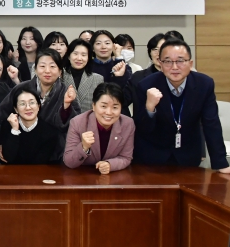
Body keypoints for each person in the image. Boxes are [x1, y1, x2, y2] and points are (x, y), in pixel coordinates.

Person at [133, 39, 230, 172]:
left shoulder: (204, 84)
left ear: (190, 63)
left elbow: (211, 124)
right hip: (152, 158)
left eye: (180, 61)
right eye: (168, 61)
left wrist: (221, 163)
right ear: (160, 64)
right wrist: (150, 108)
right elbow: (141, 129)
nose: (174, 67)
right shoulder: (146, 85)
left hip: (188, 156)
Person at [0, 49, 80, 161]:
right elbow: (2, 114)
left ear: (60, 71)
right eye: (42, 66)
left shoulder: (67, 93)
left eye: (52, 66)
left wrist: (66, 107)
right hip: (20, 149)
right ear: (35, 69)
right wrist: (2, 142)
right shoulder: (21, 88)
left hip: (55, 153)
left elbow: (75, 125)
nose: (47, 71)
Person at [64, 83, 134, 174]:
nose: (109, 112)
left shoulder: (127, 124)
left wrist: (110, 165)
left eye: (115, 107)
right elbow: (69, 162)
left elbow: (126, 157)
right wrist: (84, 147)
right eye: (103, 106)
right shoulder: (77, 122)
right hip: (82, 175)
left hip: (111, 177)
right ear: (93, 106)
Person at [0, 82, 59, 165]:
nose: (28, 107)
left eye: (32, 103)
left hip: (37, 172)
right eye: (22, 104)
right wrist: (15, 130)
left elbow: (40, 162)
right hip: (11, 171)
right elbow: (8, 158)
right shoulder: (7, 125)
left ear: (38, 106)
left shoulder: (50, 132)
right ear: (16, 109)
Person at [62, 39, 104, 113]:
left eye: (83, 55)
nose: (79, 58)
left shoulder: (98, 79)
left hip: (89, 119)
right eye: (75, 54)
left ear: (88, 58)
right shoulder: (60, 76)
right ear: (68, 56)